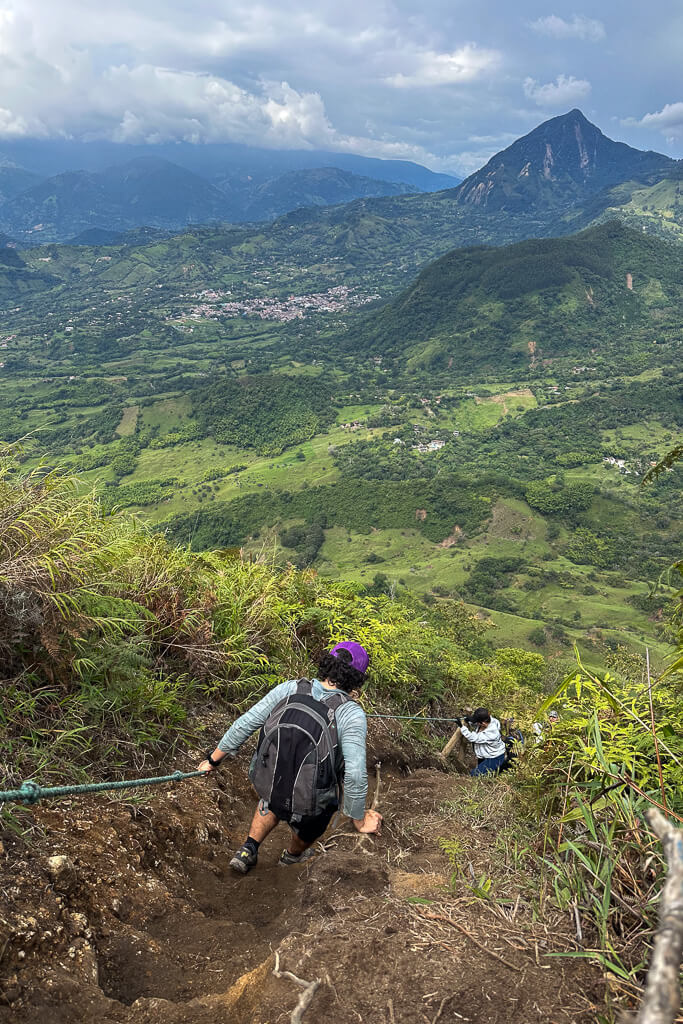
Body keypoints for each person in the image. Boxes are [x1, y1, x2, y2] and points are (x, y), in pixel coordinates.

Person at [198, 641, 383, 874]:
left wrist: (213, 760)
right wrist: (358, 819)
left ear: (327, 664)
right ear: (357, 679)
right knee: (313, 822)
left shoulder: (290, 689)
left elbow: (245, 724)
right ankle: (292, 856)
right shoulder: (350, 713)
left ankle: (248, 849)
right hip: (313, 796)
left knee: (272, 796)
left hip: (271, 777)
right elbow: (355, 773)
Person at [458, 708, 506, 777]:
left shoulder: (492, 733)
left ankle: (499, 769)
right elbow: (477, 725)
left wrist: (462, 727)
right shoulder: (491, 720)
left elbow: (473, 738)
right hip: (486, 754)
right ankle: (491, 771)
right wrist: (470, 720)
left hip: (495, 757)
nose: (476, 723)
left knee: (475, 774)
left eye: (477, 721)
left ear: (483, 723)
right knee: (482, 771)